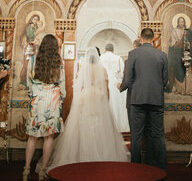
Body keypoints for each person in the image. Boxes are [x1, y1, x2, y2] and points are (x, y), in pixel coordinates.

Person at [46, 47, 128, 171]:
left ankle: (82, 155)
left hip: (85, 98)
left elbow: (79, 87)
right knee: (100, 127)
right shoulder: (102, 69)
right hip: (98, 98)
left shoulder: (84, 69)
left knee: (83, 126)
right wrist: (106, 102)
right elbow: (106, 89)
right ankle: (100, 155)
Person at [23, 34, 65, 181]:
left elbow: (28, 82)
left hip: (37, 101)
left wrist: (33, 94)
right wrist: (62, 98)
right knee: (49, 138)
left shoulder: (33, 60)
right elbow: (61, 84)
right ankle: (43, 171)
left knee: (32, 137)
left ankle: (26, 170)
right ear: (55, 48)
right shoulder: (59, 62)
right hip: (52, 101)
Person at [126, 28, 168, 170]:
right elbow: (165, 80)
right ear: (154, 38)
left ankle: (136, 169)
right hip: (156, 99)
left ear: (141, 38)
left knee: (136, 136)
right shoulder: (162, 55)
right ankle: (161, 168)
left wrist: (137, 90)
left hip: (137, 100)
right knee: (158, 135)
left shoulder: (133, 54)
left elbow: (128, 79)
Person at [100, 43, 129, 132]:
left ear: (105, 50)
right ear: (113, 50)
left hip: (103, 84)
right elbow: (121, 74)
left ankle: (104, 127)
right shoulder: (118, 58)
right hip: (115, 85)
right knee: (117, 105)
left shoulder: (100, 58)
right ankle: (118, 125)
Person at [167, 16, 192, 95]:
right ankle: (180, 90)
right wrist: (180, 41)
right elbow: (173, 43)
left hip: (186, 53)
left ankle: (189, 90)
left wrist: (188, 45)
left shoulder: (188, 31)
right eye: (180, 21)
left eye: (182, 21)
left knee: (188, 71)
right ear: (177, 23)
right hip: (177, 54)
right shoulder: (174, 31)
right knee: (178, 71)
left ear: (185, 22)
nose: (181, 23)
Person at [117, 38, 142, 127]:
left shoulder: (129, 61)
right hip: (148, 98)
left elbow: (127, 80)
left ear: (134, 47)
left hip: (133, 98)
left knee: (134, 128)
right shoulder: (151, 60)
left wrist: (121, 86)